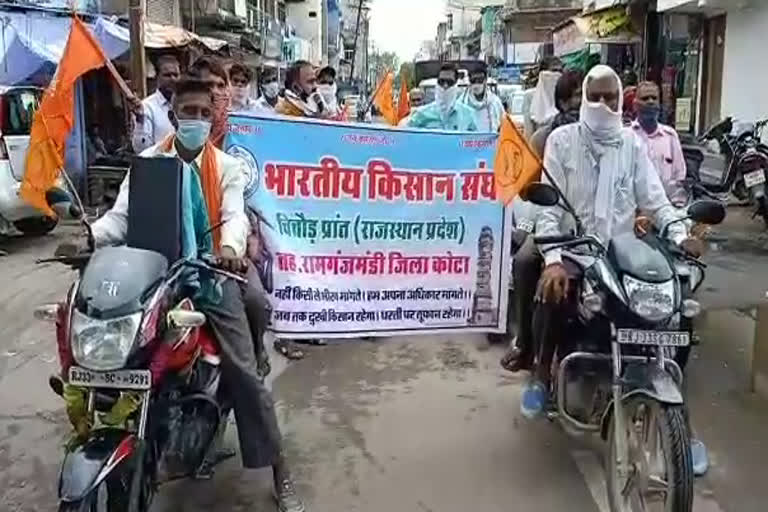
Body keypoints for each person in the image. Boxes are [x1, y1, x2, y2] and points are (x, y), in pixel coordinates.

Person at [77, 76, 306, 512]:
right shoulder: (147, 162)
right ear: (173, 114)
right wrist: (89, 237)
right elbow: (119, 220)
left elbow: (234, 217)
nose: (196, 119)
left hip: (210, 273)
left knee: (244, 373)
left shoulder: (227, 167)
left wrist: (230, 250)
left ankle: (280, 469)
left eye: (204, 112)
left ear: (214, 116)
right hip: (155, 274)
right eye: (188, 111)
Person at [519, 65, 702, 422]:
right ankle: (541, 372)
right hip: (574, 246)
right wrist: (554, 258)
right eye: (596, 97)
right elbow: (550, 209)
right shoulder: (562, 140)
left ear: (621, 100)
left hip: (621, 252)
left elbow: (656, 200)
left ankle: (676, 408)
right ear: (584, 98)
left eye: (610, 97)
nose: (603, 104)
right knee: (553, 289)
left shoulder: (631, 144)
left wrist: (682, 235)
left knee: (676, 308)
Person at [499, 70, 583, 372]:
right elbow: (531, 188)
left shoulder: (620, 139)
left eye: (597, 98)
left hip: (599, 235)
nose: (584, 102)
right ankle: (526, 345)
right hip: (555, 227)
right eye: (576, 96)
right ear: (561, 102)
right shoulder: (547, 138)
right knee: (523, 262)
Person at [632, 81, 688, 207]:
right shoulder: (627, 136)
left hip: (666, 210)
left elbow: (679, 178)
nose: (650, 102)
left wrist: (677, 210)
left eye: (654, 98)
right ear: (635, 105)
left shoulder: (670, 136)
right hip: (635, 212)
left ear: (659, 104)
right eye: (645, 98)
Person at [131, 54, 180, 153]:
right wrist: (140, 121)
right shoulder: (147, 107)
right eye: (167, 75)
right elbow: (141, 149)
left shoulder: (186, 105)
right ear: (157, 77)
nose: (172, 79)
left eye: (176, 75)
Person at [406, 63, 478, 131]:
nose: (445, 86)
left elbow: (474, 142)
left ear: (455, 84)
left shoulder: (468, 115)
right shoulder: (421, 114)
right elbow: (407, 137)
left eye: (449, 82)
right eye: (441, 81)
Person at [529, 70, 582, 158]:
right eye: (578, 95)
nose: (583, 100)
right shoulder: (542, 138)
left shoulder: (597, 133)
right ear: (562, 103)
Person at [189, 56, 231, 148]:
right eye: (209, 85)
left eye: (220, 86)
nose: (216, 91)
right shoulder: (185, 126)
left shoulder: (235, 129)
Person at [523, 57, 563, 139]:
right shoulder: (530, 96)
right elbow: (528, 133)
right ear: (542, 74)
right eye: (554, 71)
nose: (557, 75)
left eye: (560, 71)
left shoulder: (564, 95)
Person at [460, 67, 505, 132]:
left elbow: (503, 125)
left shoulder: (495, 102)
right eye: (473, 80)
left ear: (485, 80)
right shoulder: (462, 103)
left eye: (480, 80)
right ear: (469, 81)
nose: (476, 83)